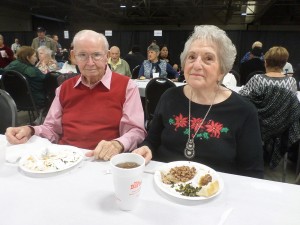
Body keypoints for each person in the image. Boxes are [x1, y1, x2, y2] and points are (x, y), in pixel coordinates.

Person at [133, 25, 264, 178]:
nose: (196, 65)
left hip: (216, 193)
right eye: (192, 57)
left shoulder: (243, 111)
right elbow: (152, 139)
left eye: (208, 58)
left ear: (222, 69)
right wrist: (147, 147)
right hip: (165, 184)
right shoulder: (169, 97)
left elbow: (252, 172)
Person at [5, 30, 146, 161]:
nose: (90, 63)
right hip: (64, 159)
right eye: (83, 55)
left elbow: (136, 130)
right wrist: (29, 130)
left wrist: (118, 144)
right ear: (73, 56)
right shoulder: (64, 88)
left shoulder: (127, 86)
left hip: (105, 161)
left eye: (97, 55)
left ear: (107, 56)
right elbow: (51, 129)